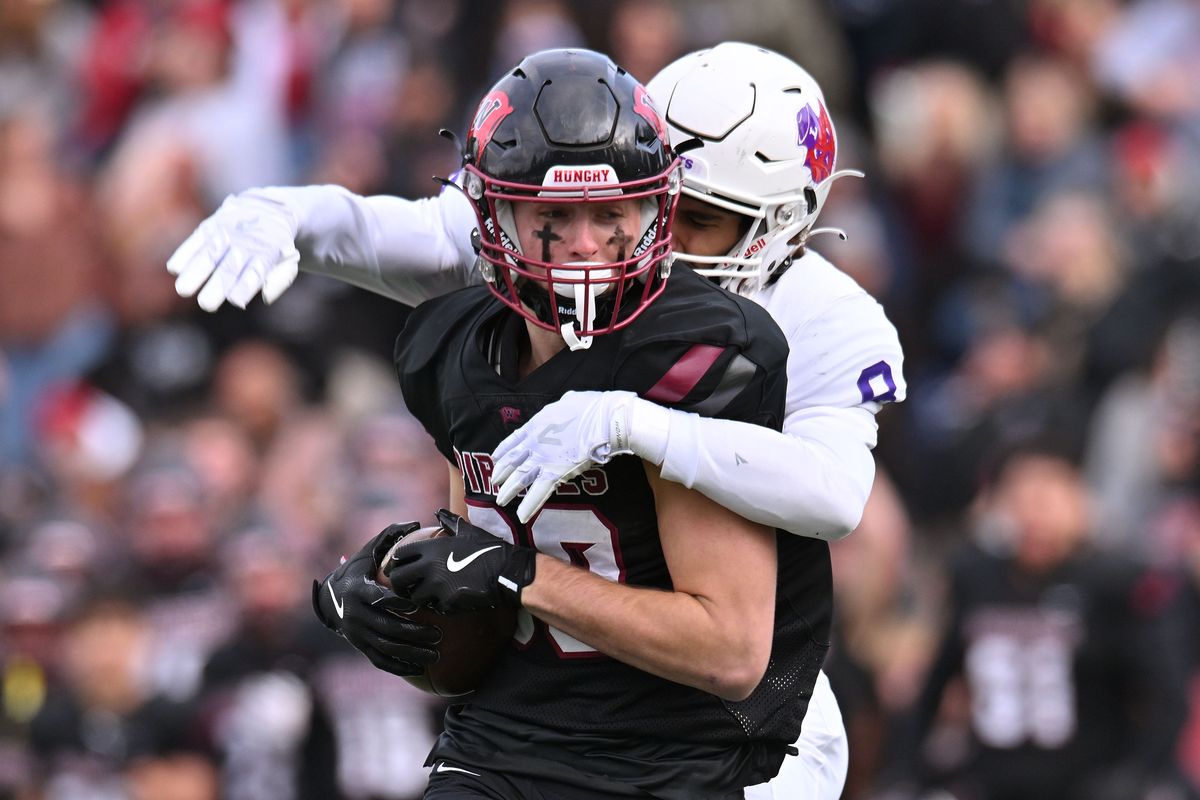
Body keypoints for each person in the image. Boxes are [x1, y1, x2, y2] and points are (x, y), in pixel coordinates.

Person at [167, 42, 907, 798]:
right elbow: (405, 235)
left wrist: (636, 424)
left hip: (736, 724)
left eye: (703, 220)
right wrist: (288, 210)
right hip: (531, 726)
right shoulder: (541, 259)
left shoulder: (807, 324)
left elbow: (834, 496)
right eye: (665, 207)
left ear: (781, 224)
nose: (606, 245)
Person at [313, 48, 831, 799]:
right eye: (554, 217)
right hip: (497, 751)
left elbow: (730, 649)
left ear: (655, 211)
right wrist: (398, 593)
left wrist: (520, 577)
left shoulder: (699, 352)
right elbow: (477, 597)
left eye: (611, 214)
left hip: (668, 765)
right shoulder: (453, 348)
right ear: (494, 216)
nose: (586, 245)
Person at [889, 441, 1192, 800]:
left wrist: (1131, 777)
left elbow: (1167, 698)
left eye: (1048, 498)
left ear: (1079, 501)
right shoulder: (974, 578)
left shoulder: (1115, 584)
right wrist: (907, 772)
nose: (1034, 515)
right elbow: (933, 685)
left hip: (1088, 779)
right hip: (991, 779)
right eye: (1021, 498)